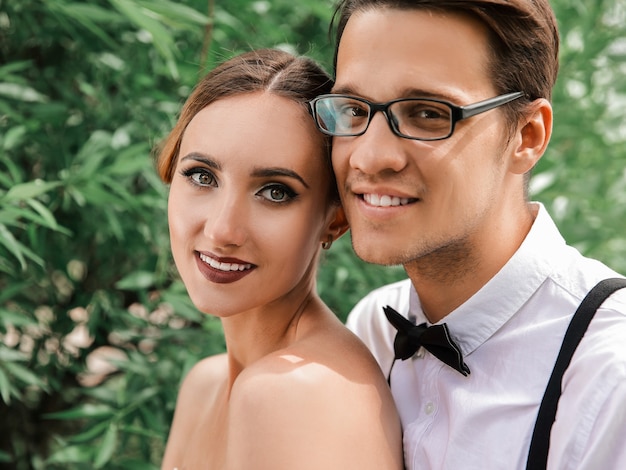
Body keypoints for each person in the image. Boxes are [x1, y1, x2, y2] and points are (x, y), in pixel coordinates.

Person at [307, 1, 626, 468]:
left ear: (528, 135)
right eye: (354, 110)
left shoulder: (608, 370)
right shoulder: (373, 328)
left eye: (428, 114)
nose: (369, 156)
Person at [156, 48, 403, 470]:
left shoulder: (292, 391)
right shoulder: (206, 384)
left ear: (336, 219)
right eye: (202, 176)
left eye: (275, 191)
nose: (221, 230)